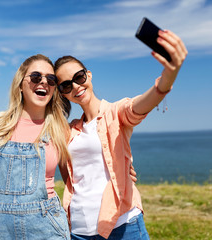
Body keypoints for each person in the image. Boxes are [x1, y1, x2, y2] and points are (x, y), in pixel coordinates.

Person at [54, 30, 187, 240]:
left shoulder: (116, 112)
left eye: (79, 77)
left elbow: (142, 104)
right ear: (62, 93)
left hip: (122, 225)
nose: (76, 87)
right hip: (79, 230)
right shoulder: (67, 131)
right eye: (67, 85)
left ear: (88, 74)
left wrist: (168, 78)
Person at [0, 54, 71, 240]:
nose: (44, 82)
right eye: (36, 77)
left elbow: (74, 182)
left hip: (47, 231)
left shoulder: (61, 130)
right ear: (20, 84)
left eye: (51, 79)